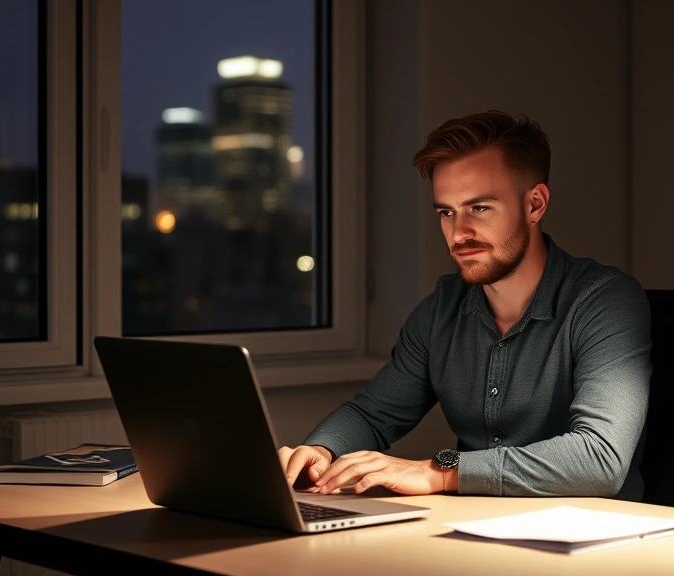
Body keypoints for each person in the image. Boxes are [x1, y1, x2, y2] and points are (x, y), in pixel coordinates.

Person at [278, 110, 651, 500]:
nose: (459, 233)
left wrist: (439, 471)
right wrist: (320, 451)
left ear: (535, 204)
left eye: (480, 208)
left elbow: (600, 459)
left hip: (590, 542)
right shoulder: (441, 310)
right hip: (472, 532)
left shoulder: (606, 301)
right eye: (447, 212)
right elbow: (373, 414)